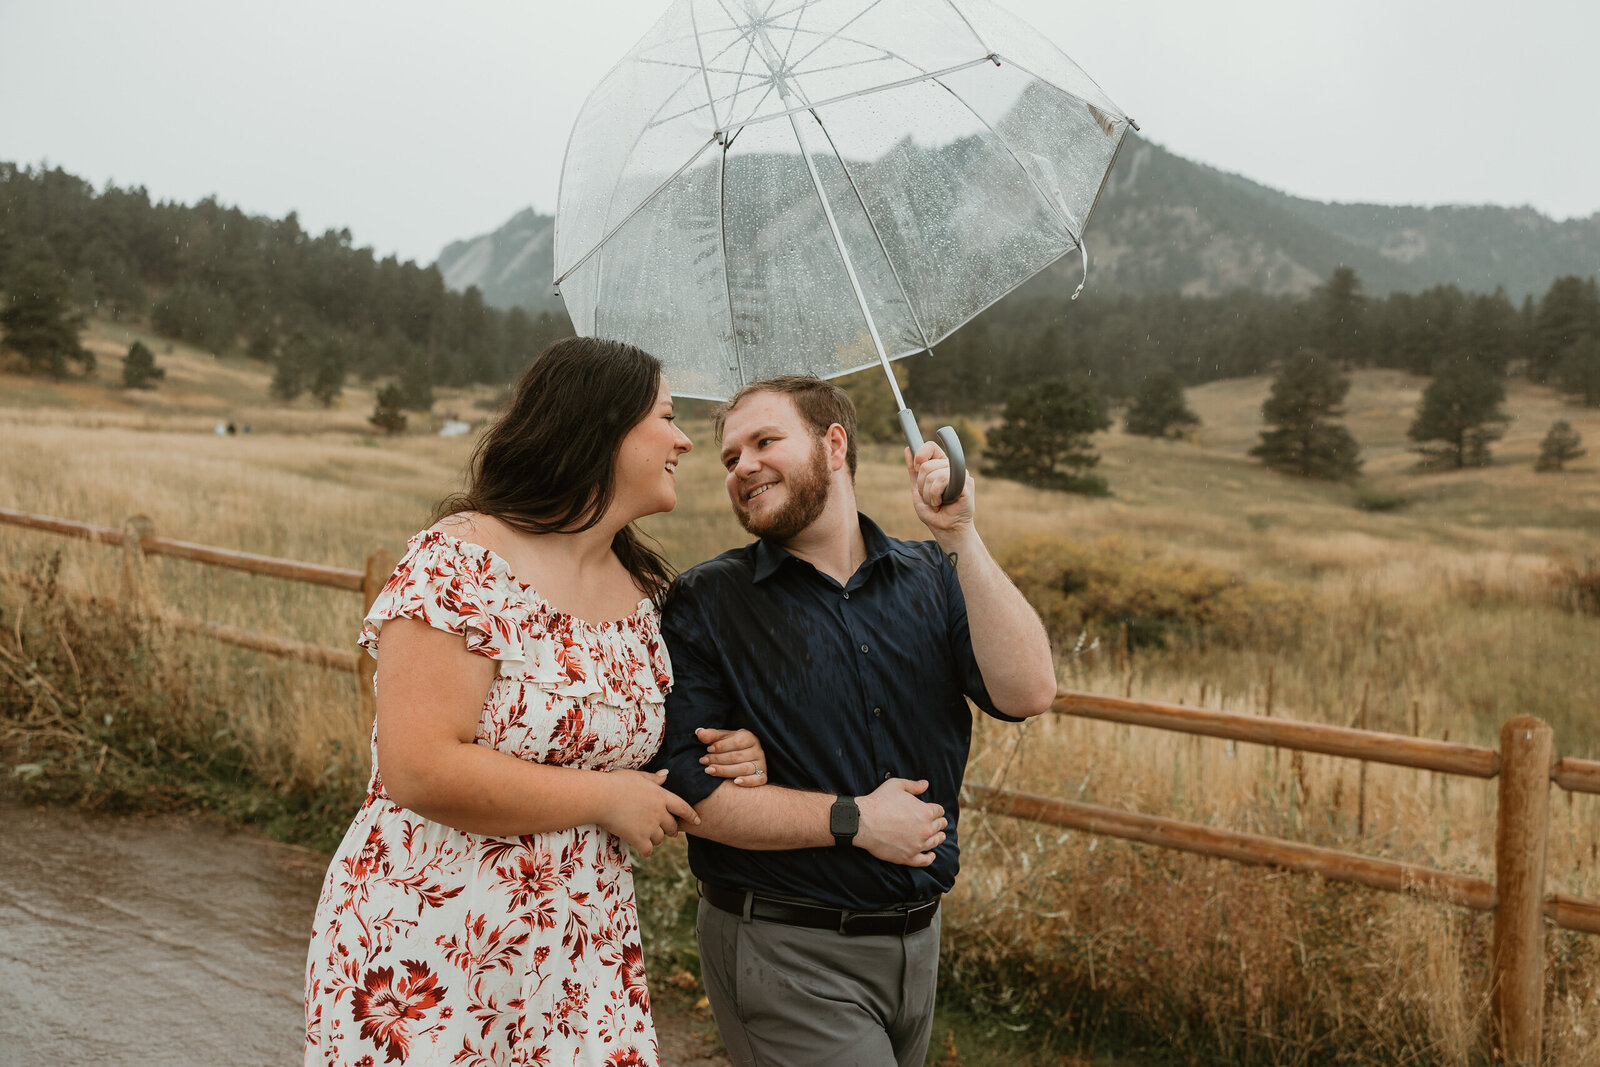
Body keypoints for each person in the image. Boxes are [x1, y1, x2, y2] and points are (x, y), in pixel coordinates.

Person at [303, 338, 770, 1067]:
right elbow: (419, 767)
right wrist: (604, 797)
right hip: (431, 947)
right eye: (668, 416)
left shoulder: (644, 598)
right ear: (601, 426)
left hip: (580, 958)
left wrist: (739, 751)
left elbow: (647, 758)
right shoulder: (462, 561)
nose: (685, 439)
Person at [651, 375, 1060, 1067]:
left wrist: (959, 529)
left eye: (765, 441)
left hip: (916, 945)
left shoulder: (933, 572)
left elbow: (1027, 690)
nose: (742, 465)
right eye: (729, 458)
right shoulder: (707, 600)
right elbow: (688, 794)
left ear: (834, 444)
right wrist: (854, 818)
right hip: (785, 946)